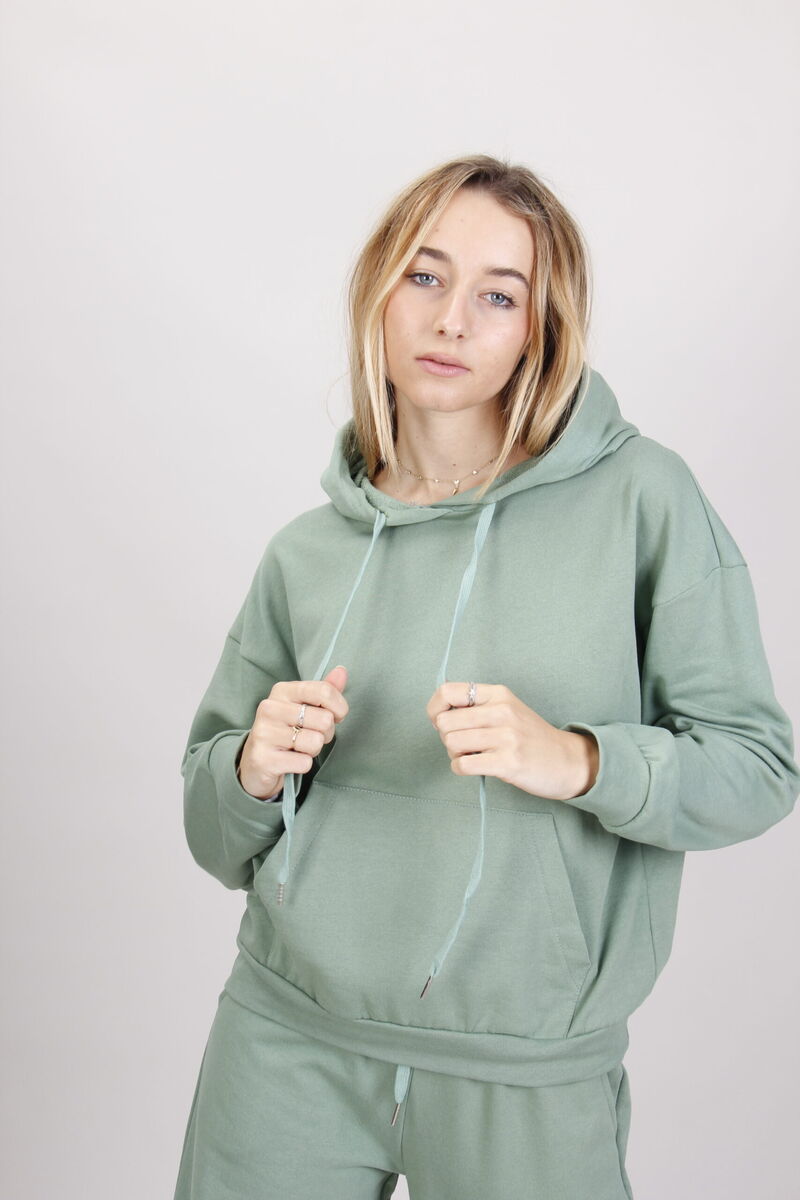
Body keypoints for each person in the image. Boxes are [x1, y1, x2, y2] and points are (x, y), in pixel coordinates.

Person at [172, 155, 800, 1200]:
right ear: (378, 292)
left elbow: (758, 770)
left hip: (523, 1071)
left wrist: (578, 760)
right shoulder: (306, 552)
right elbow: (210, 837)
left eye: (498, 295)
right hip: (282, 1042)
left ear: (539, 328)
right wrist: (247, 768)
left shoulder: (641, 500)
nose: (451, 319)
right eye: (424, 276)